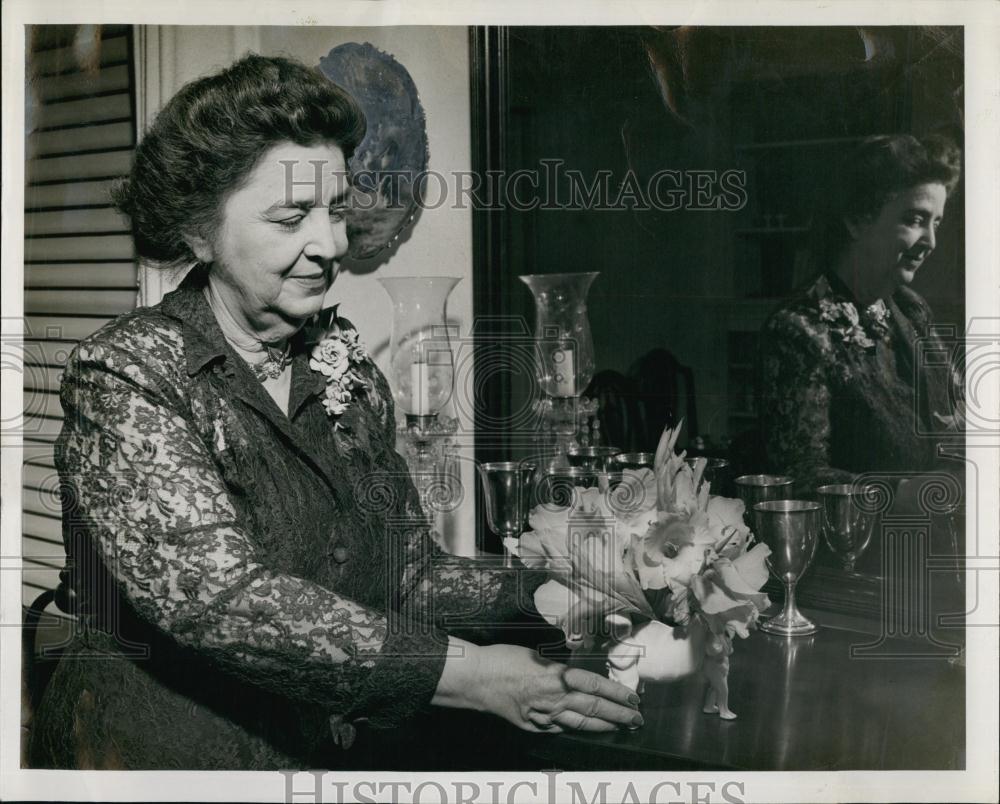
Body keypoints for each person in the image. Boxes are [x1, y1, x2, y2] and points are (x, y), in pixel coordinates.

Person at [28, 54, 641, 771]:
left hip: (313, 755)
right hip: (153, 763)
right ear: (199, 231)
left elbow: (407, 575)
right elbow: (222, 600)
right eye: (292, 217)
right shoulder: (127, 374)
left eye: (336, 210)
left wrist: (556, 592)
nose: (332, 245)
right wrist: (473, 677)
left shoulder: (347, 371)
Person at [758, 134, 964, 497]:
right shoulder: (799, 329)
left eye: (937, 223)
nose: (931, 241)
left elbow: (956, 408)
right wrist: (903, 493)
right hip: (857, 543)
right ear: (856, 220)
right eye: (915, 219)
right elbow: (797, 474)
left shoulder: (911, 309)